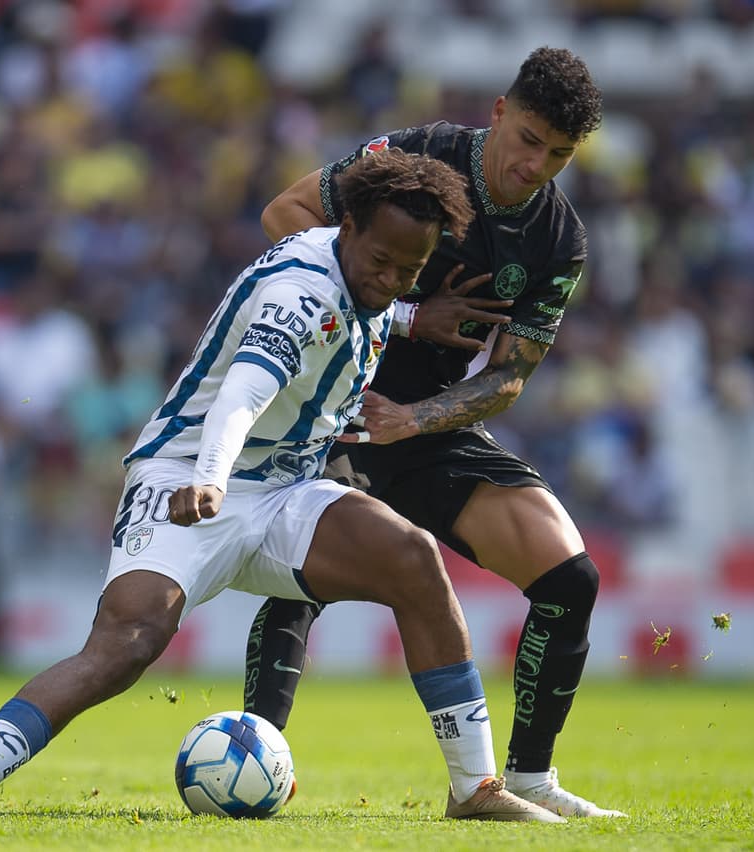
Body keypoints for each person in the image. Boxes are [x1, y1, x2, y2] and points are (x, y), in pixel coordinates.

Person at [0, 150, 561, 823]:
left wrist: (410, 317)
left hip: (284, 491)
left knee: (415, 560)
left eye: (410, 271)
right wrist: (212, 480)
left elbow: (358, 308)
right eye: (383, 262)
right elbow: (243, 396)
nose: (391, 279)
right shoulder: (296, 291)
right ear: (349, 228)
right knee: (130, 641)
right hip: (188, 481)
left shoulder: (360, 277)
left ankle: (476, 790)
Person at [244, 47, 625, 818]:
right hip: (336, 405)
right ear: (498, 113)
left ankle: (527, 780)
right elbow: (283, 216)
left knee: (570, 581)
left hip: (420, 422)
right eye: (527, 139)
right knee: (302, 582)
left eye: (558, 154)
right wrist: (407, 316)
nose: (535, 165)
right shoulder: (417, 159)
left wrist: (412, 420)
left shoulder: (558, 240)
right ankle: (250, 760)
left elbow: (509, 375)